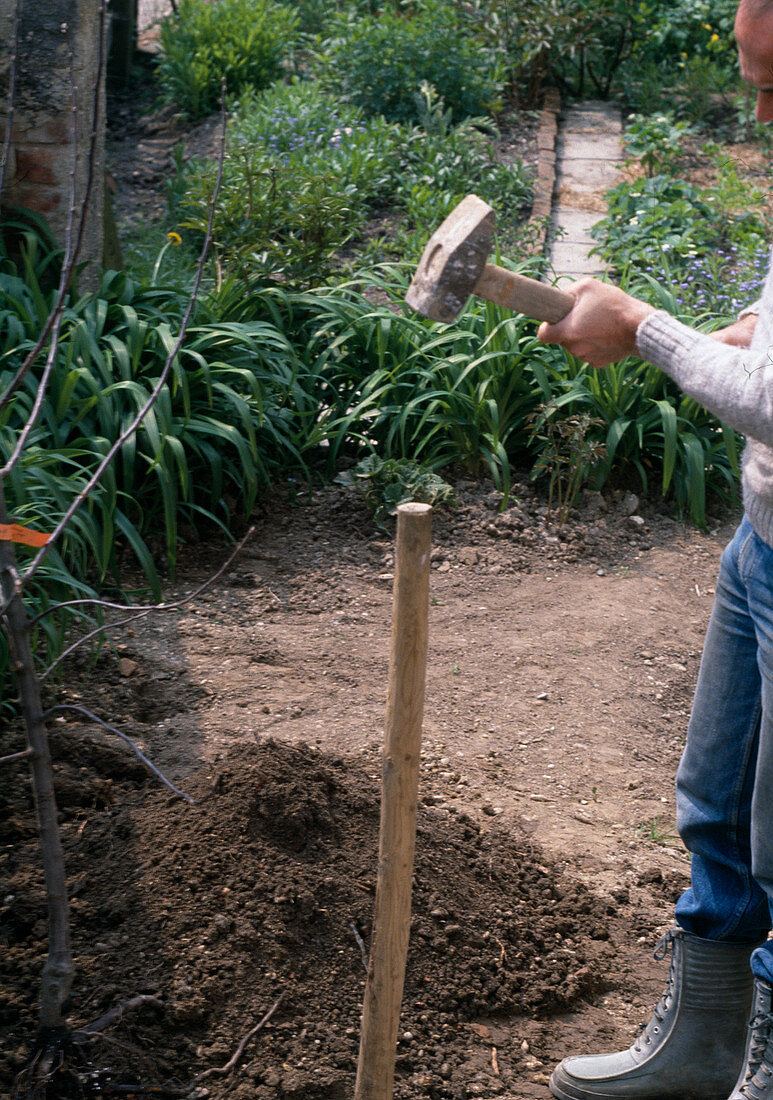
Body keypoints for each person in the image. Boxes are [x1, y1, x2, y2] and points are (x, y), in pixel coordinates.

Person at [537, 3, 773, 1098]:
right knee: (714, 804)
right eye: (751, 77)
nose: (760, 108)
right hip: (759, 540)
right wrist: (720, 332)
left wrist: (640, 326)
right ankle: (700, 1044)